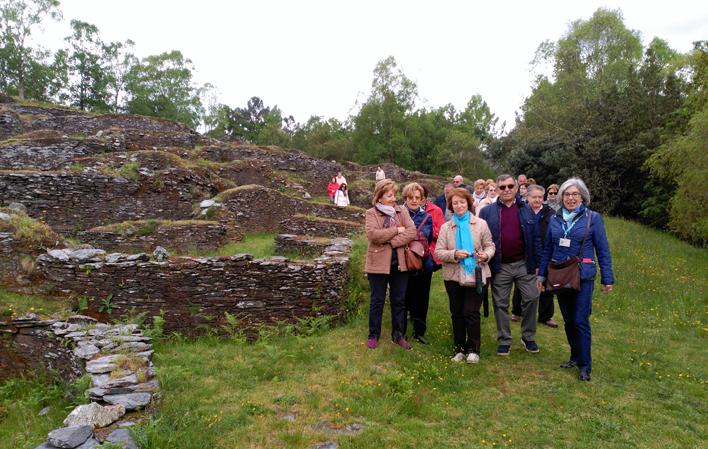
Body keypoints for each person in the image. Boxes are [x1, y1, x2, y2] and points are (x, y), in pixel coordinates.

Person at [539, 177, 614, 382]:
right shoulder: (555, 219)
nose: (570, 198)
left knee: (581, 320)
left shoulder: (593, 218)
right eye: (567, 194)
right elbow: (547, 249)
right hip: (561, 275)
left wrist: (607, 278)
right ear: (561, 197)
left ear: (583, 197)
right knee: (569, 321)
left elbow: (603, 250)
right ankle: (574, 355)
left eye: (575, 194)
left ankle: (585, 365)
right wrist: (541, 275)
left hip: (583, 275)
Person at [479, 175, 542, 356]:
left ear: (516, 187)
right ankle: (504, 339)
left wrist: (537, 265)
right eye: (502, 187)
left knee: (531, 297)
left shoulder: (527, 210)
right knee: (500, 304)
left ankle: (528, 336)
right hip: (500, 265)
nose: (506, 190)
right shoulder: (487, 212)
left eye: (510, 186)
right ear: (497, 189)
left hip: (524, 263)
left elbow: (536, 238)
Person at [435, 188, 495, 363]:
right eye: (455, 203)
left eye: (462, 202)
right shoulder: (446, 228)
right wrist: (454, 254)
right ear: (451, 206)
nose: (459, 205)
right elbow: (438, 252)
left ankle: (474, 349)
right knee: (457, 312)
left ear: (468, 203)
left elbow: (490, 245)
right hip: (453, 276)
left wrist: (486, 255)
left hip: (477, 273)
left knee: (471, 312)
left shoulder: (481, 224)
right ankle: (459, 349)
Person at [365, 179, 417, 350]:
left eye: (394, 195)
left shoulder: (401, 211)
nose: (394, 198)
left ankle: (398, 335)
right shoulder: (371, 213)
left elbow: (411, 232)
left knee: (399, 301)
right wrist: (396, 230)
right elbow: (373, 235)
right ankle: (373, 335)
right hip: (377, 263)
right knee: (377, 301)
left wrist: (392, 242)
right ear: (379, 198)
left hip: (399, 263)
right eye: (389, 195)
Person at [511, 185, 557, 327]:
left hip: (546, 252)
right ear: (528, 198)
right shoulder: (521, 211)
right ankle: (517, 312)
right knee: (521, 282)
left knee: (546, 285)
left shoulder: (551, 213)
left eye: (540, 197)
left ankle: (545, 316)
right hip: (525, 253)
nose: (537, 200)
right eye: (534, 197)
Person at [401, 182, 434, 344]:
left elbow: (427, 239)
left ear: (422, 200)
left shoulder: (427, 217)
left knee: (422, 299)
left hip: (423, 263)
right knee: (404, 298)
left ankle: (419, 331)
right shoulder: (398, 215)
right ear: (405, 198)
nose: (414, 200)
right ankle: (401, 332)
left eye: (417, 198)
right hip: (403, 263)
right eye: (410, 197)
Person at [420, 183, 445, 272]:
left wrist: (429, 229)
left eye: (419, 197)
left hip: (429, 251)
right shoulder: (406, 210)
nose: (415, 200)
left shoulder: (436, 210)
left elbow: (442, 233)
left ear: (425, 198)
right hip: (412, 251)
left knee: (425, 282)